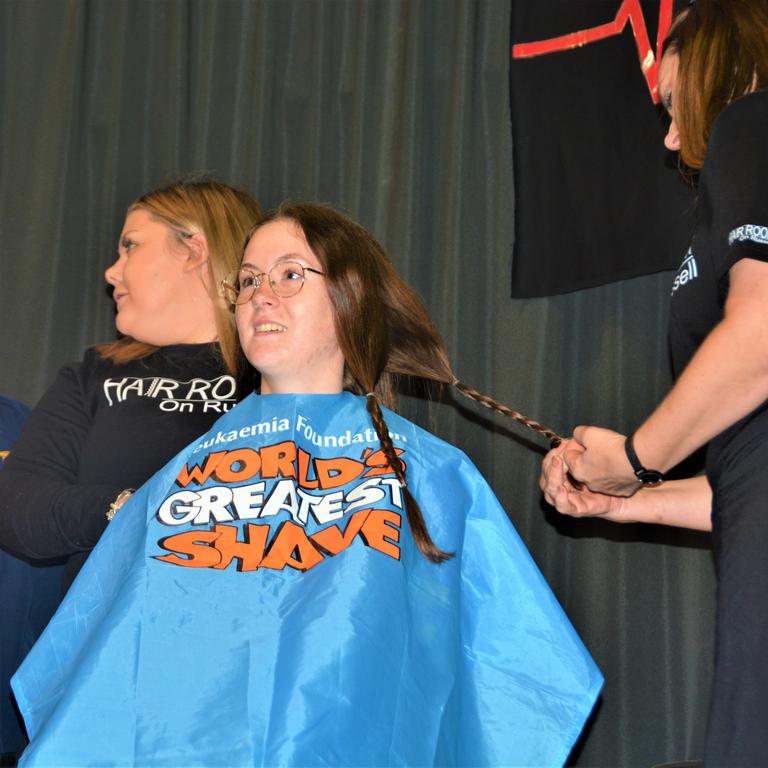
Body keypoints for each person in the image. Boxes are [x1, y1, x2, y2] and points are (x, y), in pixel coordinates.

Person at [12, 202, 602, 768]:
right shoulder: (181, 474)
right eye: (247, 281)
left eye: (290, 275)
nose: (261, 295)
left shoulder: (429, 471)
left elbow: (519, 674)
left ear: (350, 301)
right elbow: (93, 670)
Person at [539, 1, 768, 765]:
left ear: (730, 72)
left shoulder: (753, 120)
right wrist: (626, 498)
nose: (671, 138)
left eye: (675, 105)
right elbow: (748, 474)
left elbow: (761, 337)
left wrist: (636, 457)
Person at [0, 178, 262, 595]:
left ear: (194, 251)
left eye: (130, 246)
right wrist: (129, 507)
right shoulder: (95, 374)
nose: (110, 272)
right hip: (107, 639)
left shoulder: (275, 375)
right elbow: (18, 508)